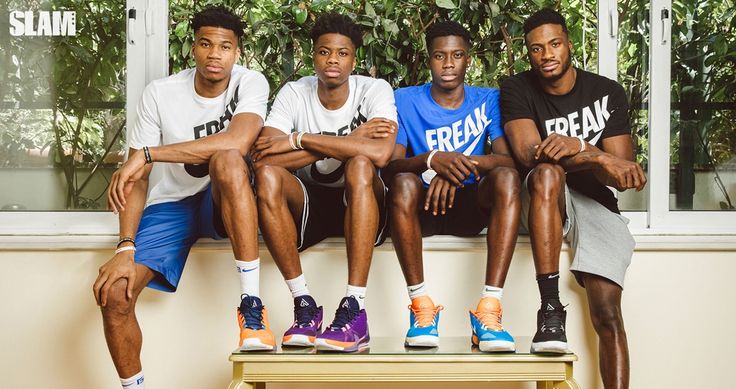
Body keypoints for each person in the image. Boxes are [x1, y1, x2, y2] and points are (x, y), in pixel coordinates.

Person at [92, 6, 272, 389]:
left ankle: (251, 307)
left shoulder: (250, 82)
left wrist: (150, 153)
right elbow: (136, 179)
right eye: (206, 44)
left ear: (236, 52)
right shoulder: (160, 93)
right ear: (193, 48)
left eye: (225, 46)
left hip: (224, 197)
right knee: (115, 295)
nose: (215, 54)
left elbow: (238, 142)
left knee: (226, 160)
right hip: (172, 204)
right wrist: (126, 247)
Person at [501, 8, 646, 388]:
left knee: (607, 314)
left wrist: (584, 149)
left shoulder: (607, 92)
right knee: (548, 172)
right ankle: (550, 307)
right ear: (528, 54)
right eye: (536, 49)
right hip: (541, 195)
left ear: (568, 44)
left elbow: (622, 171)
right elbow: (529, 153)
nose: (547, 54)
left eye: (554, 44)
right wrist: (597, 156)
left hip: (595, 202)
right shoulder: (516, 88)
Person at [251, 13, 397, 353]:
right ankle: (303, 303)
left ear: (354, 59)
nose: (333, 60)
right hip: (308, 203)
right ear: (313, 55)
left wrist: (299, 140)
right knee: (270, 176)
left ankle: (354, 308)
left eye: (342, 53)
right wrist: (343, 139)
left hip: (362, 201)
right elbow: (264, 160)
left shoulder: (373, 90)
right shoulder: (294, 93)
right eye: (324, 52)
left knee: (360, 165)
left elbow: (380, 154)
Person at [383, 21, 521, 351]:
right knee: (403, 182)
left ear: (468, 59)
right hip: (423, 206)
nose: (448, 64)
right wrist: (432, 160)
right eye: (439, 56)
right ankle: (421, 308)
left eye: (457, 55)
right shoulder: (404, 99)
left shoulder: (488, 98)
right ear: (428, 59)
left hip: (472, 206)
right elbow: (391, 165)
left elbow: (508, 160)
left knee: (507, 178)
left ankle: (489, 308)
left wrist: (456, 165)